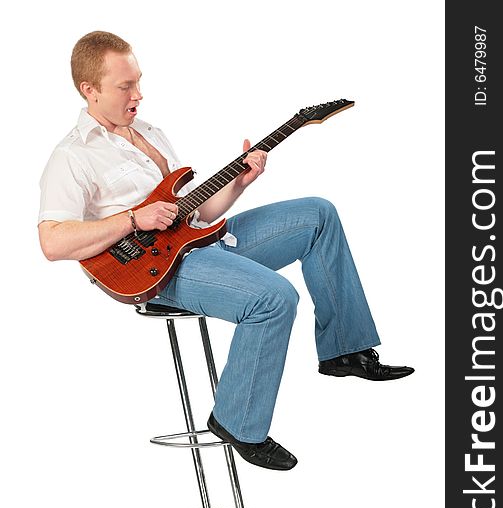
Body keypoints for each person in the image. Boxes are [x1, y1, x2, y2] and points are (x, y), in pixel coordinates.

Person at [38, 31, 414, 472]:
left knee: (317, 214)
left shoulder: (149, 133)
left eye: (139, 82)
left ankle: (344, 350)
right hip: (158, 271)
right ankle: (238, 421)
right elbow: (52, 241)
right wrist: (131, 220)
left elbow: (196, 211)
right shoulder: (73, 155)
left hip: (201, 242)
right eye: (125, 87)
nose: (138, 95)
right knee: (274, 297)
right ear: (90, 89)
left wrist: (240, 181)